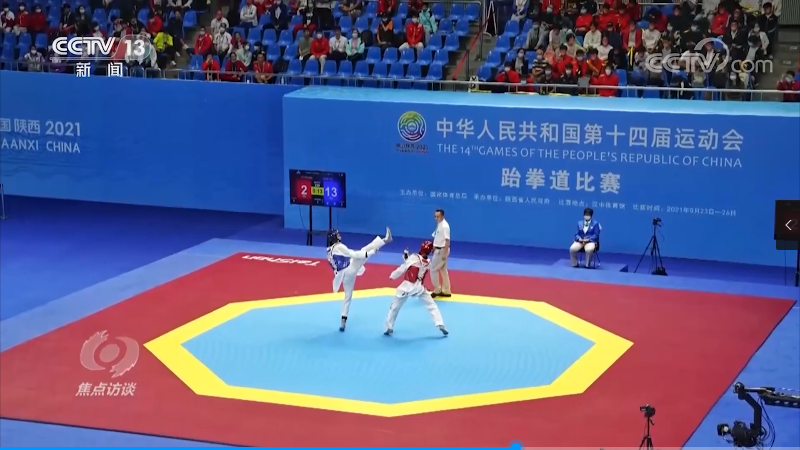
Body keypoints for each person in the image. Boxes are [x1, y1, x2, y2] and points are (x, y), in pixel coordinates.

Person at [327, 227, 393, 332]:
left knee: (347, 297)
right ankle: (385, 240)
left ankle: (343, 320)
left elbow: (337, 265)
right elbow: (354, 254)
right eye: (337, 234)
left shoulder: (329, 251)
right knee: (364, 251)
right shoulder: (339, 247)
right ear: (334, 237)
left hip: (343, 276)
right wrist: (370, 253)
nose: (339, 235)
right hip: (350, 269)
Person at [384, 241, 448, 337]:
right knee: (432, 305)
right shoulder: (428, 262)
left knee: (395, 307)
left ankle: (389, 327)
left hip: (406, 287)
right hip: (418, 288)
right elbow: (412, 262)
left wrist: (393, 275)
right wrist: (406, 257)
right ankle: (440, 324)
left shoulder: (414, 258)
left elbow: (404, 267)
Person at [430, 209, 451, 298]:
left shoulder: (444, 226)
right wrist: (434, 246)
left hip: (441, 251)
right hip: (439, 249)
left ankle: (437, 289)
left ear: (442, 216)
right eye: (435, 216)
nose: (436, 218)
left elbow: (447, 240)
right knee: (443, 270)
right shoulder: (440, 224)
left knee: (433, 269)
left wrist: (444, 254)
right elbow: (438, 237)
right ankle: (446, 290)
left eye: (438, 216)